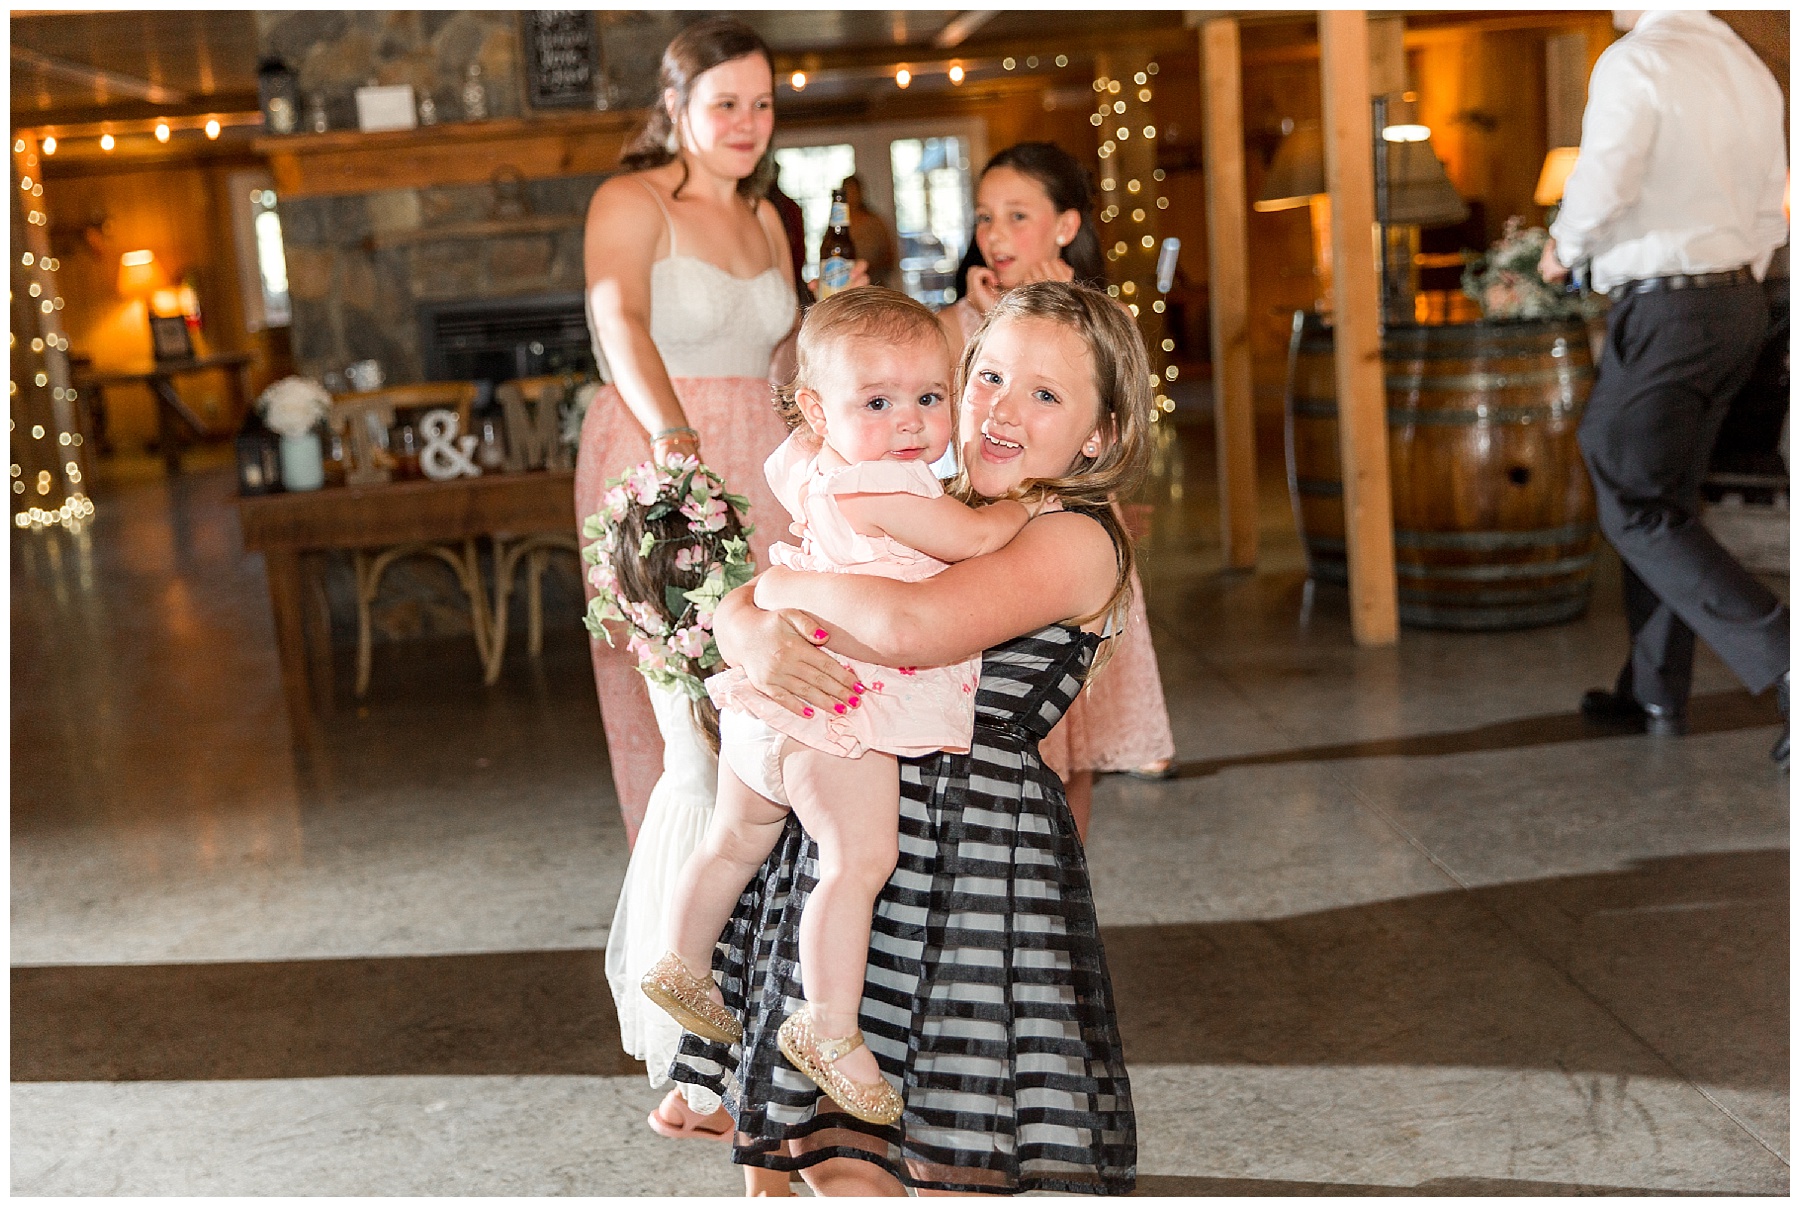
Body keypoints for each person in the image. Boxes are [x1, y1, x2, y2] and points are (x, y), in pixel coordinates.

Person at [668, 281, 1145, 1196]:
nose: (1002, 408)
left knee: (938, 1143)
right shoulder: (922, 492)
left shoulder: (1075, 536)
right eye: (990, 376)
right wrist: (742, 617)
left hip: (969, 862)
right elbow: (804, 568)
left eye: (1046, 396)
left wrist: (769, 600)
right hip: (850, 832)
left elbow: (908, 629)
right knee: (804, 1154)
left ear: (1100, 435)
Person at [645, 289, 1030, 1128]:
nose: (908, 424)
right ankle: (829, 1024)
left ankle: (681, 956)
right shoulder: (886, 482)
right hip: (836, 714)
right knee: (856, 861)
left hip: (762, 709)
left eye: (929, 398)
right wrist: (1016, 511)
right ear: (820, 409)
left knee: (733, 839)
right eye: (878, 402)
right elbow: (968, 542)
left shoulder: (807, 462)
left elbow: (799, 471)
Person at [573, 17, 801, 1186]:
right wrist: (675, 451)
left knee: (780, 731)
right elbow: (618, 319)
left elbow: (787, 350)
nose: (747, 124)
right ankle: (690, 1029)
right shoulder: (633, 200)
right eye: (726, 103)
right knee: (693, 744)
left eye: (762, 103)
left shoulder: (767, 213)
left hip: (770, 474)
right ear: (677, 106)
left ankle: (775, 990)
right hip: (665, 481)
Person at [1539, 9, 1789, 764]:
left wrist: (1564, 246)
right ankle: (1654, 688)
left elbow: (1606, 177)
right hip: (1741, 303)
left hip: (1670, 305)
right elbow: (1767, 208)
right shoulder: (1745, 65)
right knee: (1667, 494)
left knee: (1630, 492)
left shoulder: (1634, 60)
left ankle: (1785, 657)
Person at [939, 141, 1176, 825]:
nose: (995, 235)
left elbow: (1108, 442)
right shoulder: (957, 317)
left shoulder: (1102, 320)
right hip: (980, 541)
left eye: (1018, 216)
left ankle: (1059, 885)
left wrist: (1046, 302)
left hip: (1066, 554)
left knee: (1069, 755)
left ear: (1065, 225)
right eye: (986, 217)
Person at [580, 456, 755, 1143]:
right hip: (722, 827)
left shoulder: (656, 638)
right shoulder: (718, 645)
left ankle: (695, 1097)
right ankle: (713, 1101)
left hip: (677, 821)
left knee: (695, 966)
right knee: (725, 963)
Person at [840, 176, 899, 290]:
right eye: (848, 191)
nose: (852, 196)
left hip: (875, 282)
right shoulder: (838, 226)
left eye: (854, 191)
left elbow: (889, 255)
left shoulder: (875, 221)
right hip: (846, 284)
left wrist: (871, 268)